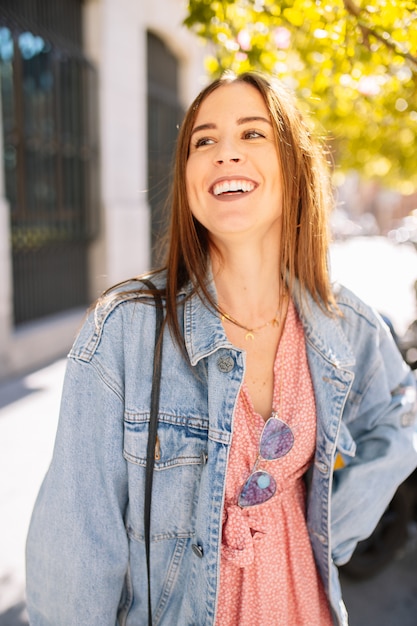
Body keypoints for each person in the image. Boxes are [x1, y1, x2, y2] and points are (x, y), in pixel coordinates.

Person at [26, 71, 417, 626]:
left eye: (252, 134)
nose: (224, 153)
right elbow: (76, 554)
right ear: (187, 178)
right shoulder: (127, 329)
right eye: (203, 141)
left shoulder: (339, 323)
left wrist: (329, 529)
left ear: (293, 166)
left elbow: (401, 412)